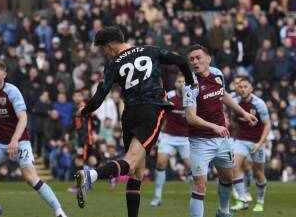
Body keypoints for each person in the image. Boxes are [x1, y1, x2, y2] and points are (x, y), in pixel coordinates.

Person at [74, 26, 196, 217]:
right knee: (130, 163)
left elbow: (100, 95)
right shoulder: (150, 50)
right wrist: (190, 80)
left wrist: (85, 110)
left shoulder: (113, 64)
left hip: (129, 115)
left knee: (136, 173)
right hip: (151, 109)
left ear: (109, 46)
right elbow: (180, 60)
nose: (105, 52)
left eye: (104, 48)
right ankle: (92, 175)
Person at [0, 60, 67, 217]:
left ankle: (59, 211)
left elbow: (23, 118)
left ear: (4, 75)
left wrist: (14, 140)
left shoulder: (12, 91)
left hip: (20, 142)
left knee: (30, 178)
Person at [183, 44, 258, 217]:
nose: (195, 62)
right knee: (200, 186)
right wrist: (214, 126)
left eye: (198, 57)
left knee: (227, 178)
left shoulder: (217, 74)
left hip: (222, 140)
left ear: (208, 59)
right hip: (200, 142)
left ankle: (223, 211)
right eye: (191, 59)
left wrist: (244, 113)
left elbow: (223, 95)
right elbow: (190, 117)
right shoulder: (191, 85)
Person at [150, 72, 192, 207]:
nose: (181, 84)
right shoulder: (169, 96)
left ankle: (195, 196)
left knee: (190, 167)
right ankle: (157, 197)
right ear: (175, 83)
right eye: (179, 81)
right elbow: (158, 112)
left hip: (185, 137)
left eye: (184, 82)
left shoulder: (191, 97)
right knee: (161, 163)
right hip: (168, 136)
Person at [230, 77, 271, 212]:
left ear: (251, 88)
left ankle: (260, 201)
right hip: (241, 140)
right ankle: (242, 200)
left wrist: (260, 143)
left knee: (258, 172)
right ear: (237, 89)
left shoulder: (259, 104)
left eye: (245, 86)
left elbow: (267, 124)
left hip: (256, 142)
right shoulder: (235, 102)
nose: (242, 89)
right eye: (240, 87)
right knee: (234, 167)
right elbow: (234, 120)